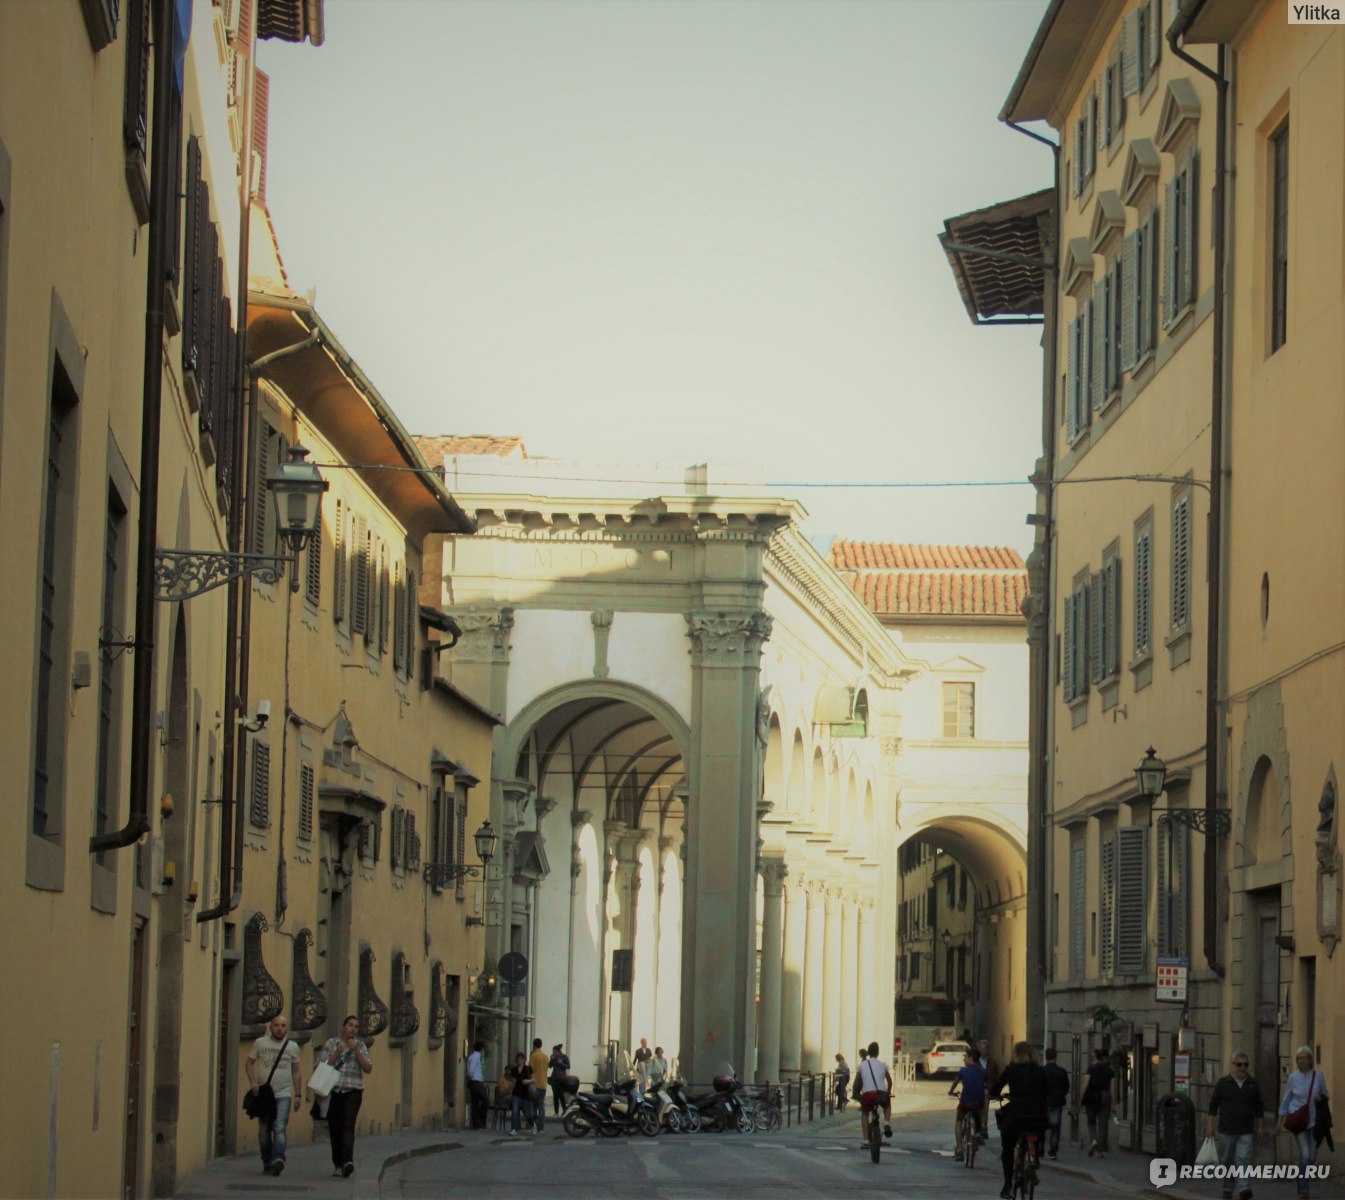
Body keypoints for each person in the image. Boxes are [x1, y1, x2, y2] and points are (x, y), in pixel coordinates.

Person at [990, 1041, 1048, 1200]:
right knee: (1036, 1132)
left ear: (1016, 1054)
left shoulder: (1012, 1070)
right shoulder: (1040, 1071)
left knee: (1007, 1148)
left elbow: (996, 1088)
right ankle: (1034, 1159)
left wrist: (993, 1094)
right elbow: (1047, 1091)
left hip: (1017, 1115)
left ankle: (1008, 1184)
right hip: (1036, 1115)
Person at [246, 1014, 301, 1177]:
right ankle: (267, 1161)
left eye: (283, 1025)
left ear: (287, 1028)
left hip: (283, 1093)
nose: (280, 1028)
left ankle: (278, 1159)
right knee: (264, 1132)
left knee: (279, 1127)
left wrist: (298, 1094)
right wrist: (253, 1082)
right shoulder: (260, 1043)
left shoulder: (292, 1046)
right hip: (264, 1093)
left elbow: (296, 1071)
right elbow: (249, 1063)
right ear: (271, 1027)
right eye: (276, 1025)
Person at [319, 1014, 372, 1177]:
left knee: (348, 1126)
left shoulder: (361, 1046)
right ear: (343, 1027)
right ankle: (338, 1164)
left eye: (356, 1027)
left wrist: (356, 1050)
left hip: (353, 1091)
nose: (353, 1029)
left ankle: (348, 1161)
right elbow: (322, 1066)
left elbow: (368, 1068)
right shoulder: (331, 1043)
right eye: (350, 1025)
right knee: (335, 1128)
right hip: (334, 1091)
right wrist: (336, 1053)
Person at [1208, 1050, 1264, 1200]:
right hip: (1226, 1130)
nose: (1242, 1068)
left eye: (1245, 1065)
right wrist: (1210, 1125)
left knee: (1243, 1158)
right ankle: (1227, 1188)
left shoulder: (1253, 1084)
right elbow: (1213, 1106)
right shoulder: (1223, 1083)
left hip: (1246, 1129)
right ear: (1232, 1065)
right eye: (1239, 1064)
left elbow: (1259, 1107)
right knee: (1227, 1160)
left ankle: (1244, 1188)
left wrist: (1260, 1126)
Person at [1277, 1046, 1329, 1200]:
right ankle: (1304, 1191)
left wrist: (1321, 1097)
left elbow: (1326, 1095)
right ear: (1297, 1061)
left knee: (1311, 1156)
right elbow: (1286, 1100)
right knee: (1305, 1154)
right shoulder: (1293, 1078)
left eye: (1305, 1058)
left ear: (1310, 1060)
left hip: (1314, 1121)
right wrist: (1279, 1122)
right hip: (1298, 1121)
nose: (1302, 1061)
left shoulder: (1318, 1076)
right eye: (1299, 1058)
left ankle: (1302, 1179)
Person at [949, 1046, 985, 1161]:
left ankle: (959, 1149)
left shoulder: (963, 1071)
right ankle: (980, 1131)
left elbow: (954, 1083)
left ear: (971, 1058)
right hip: (978, 1102)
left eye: (965, 1057)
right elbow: (988, 1085)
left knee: (959, 1120)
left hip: (965, 1101)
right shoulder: (983, 1071)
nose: (964, 1059)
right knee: (981, 1108)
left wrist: (951, 1092)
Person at [855, 1040, 893, 1148]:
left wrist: (856, 1094)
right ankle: (886, 1122)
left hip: (867, 1094)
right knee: (887, 1107)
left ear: (868, 1052)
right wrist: (888, 1093)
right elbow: (890, 1081)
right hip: (881, 1093)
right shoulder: (883, 1065)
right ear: (878, 1053)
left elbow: (856, 1083)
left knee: (865, 1113)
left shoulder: (862, 1065)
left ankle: (866, 1141)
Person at [1082, 1047, 1115, 1157]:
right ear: (1104, 1058)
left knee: (1091, 1121)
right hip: (1105, 1095)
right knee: (1103, 1123)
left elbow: (1085, 1084)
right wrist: (1113, 1104)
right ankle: (1100, 1151)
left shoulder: (1091, 1069)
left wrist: (1081, 1098)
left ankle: (1094, 1140)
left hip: (1092, 1095)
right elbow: (1112, 1089)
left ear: (1096, 1057)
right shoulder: (1110, 1071)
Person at [1041, 1047, 1071, 1160]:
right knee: (1055, 1127)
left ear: (1046, 1056)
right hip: (1057, 1102)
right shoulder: (1062, 1071)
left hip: (1044, 1102)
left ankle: (1040, 1150)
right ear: (1055, 1057)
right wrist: (1060, 1095)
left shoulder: (1042, 1071)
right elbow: (1066, 1087)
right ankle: (1053, 1151)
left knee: (1041, 1127)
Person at [508, 1051, 537, 1135]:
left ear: (524, 1060)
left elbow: (533, 1079)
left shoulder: (528, 1069)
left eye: (521, 1059)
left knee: (528, 1113)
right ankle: (514, 1128)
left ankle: (533, 1125)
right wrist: (510, 1091)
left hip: (526, 1093)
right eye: (518, 1059)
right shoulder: (514, 1070)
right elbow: (513, 1081)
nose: (519, 1060)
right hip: (516, 1093)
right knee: (515, 1111)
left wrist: (528, 1081)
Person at [466, 1040, 489, 1129]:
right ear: (481, 1048)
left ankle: (476, 1123)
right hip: (476, 1081)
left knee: (475, 1102)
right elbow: (471, 1070)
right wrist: (472, 1077)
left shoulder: (477, 1057)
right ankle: (479, 1121)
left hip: (477, 1080)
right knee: (486, 1101)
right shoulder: (475, 1057)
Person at [529, 1038, 549, 1132]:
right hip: (543, 1084)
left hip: (535, 1084)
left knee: (533, 1105)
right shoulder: (545, 1056)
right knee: (541, 1105)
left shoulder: (534, 1055)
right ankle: (541, 1126)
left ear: (534, 1045)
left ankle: (534, 1125)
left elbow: (530, 1070)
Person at [548, 1043, 571, 1116]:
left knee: (561, 1095)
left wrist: (561, 1063)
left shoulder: (564, 1057)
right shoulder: (553, 1057)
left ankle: (564, 1109)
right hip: (554, 1078)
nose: (554, 1053)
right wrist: (551, 1060)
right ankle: (556, 1111)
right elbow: (550, 1066)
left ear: (558, 1051)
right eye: (553, 1052)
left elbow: (568, 1066)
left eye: (555, 1052)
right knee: (555, 1095)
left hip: (561, 1079)